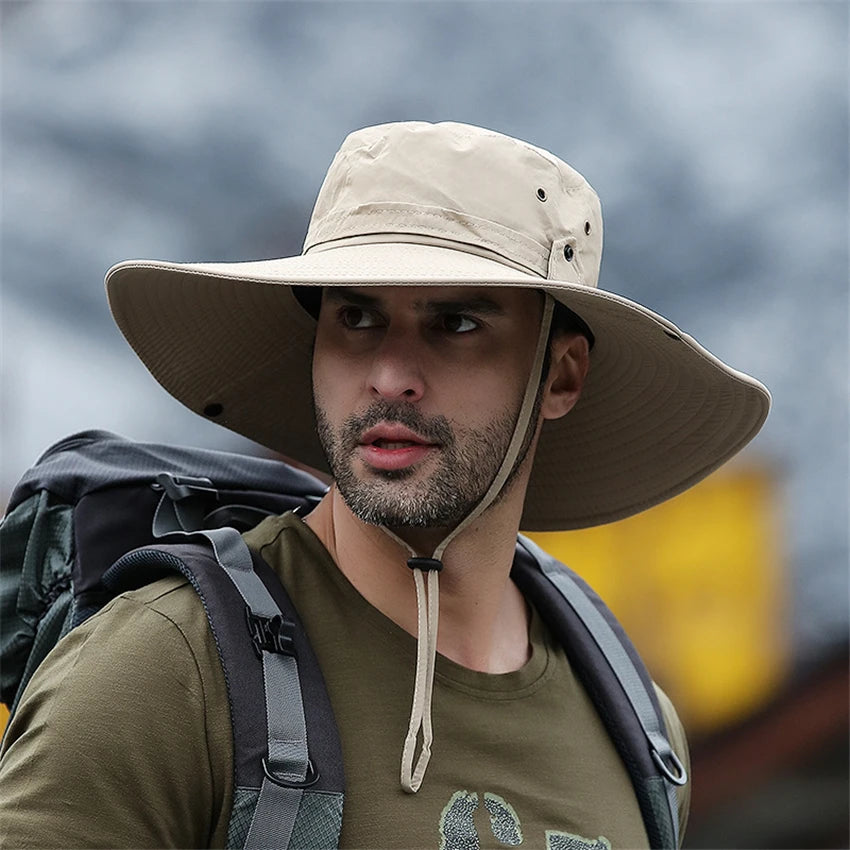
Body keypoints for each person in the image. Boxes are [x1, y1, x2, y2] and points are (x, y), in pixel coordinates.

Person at [0, 121, 770, 849]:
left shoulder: (638, 729)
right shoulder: (164, 671)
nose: (391, 376)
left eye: (456, 325)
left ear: (560, 374)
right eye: (358, 318)